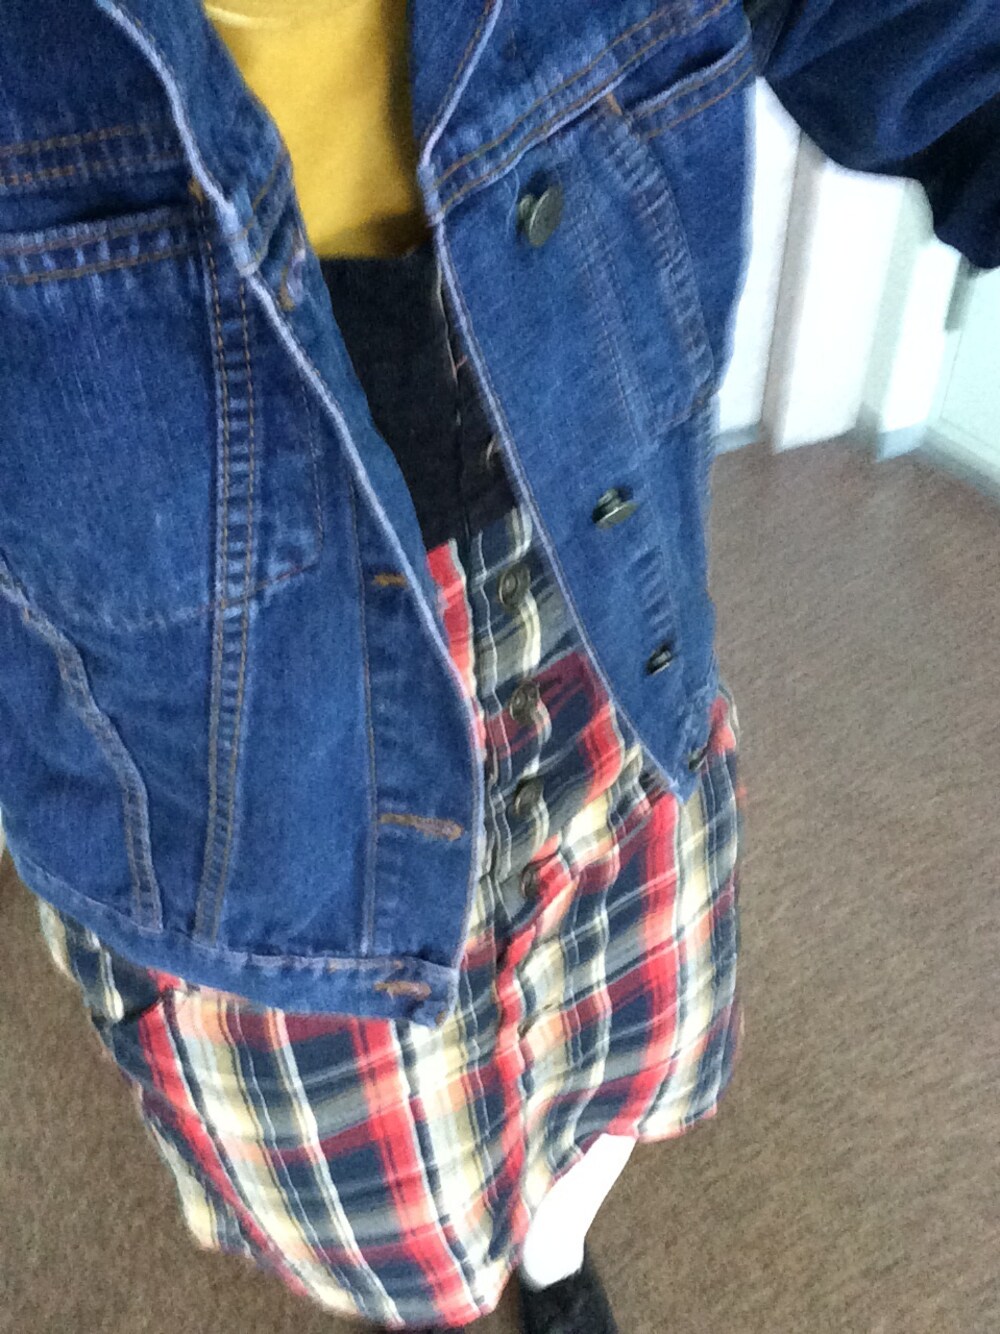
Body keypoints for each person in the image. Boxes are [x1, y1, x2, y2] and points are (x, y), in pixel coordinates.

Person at [1, 1, 996, 1330]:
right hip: (246, 769)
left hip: (598, 620)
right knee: (395, 1196)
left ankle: (554, 1255)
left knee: (618, 1055)